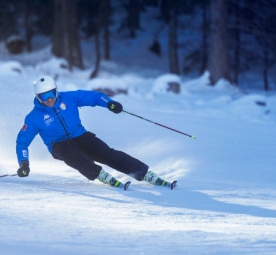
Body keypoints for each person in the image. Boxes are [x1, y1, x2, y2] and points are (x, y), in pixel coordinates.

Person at [15, 76, 176, 189]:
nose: (50, 99)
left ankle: (143, 173)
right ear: (38, 97)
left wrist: (110, 103)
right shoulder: (33, 118)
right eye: (45, 96)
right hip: (58, 145)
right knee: (72, 155)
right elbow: (22, 142)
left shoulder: (69, 98)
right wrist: (24, 163)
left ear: (56, 91)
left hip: (80, 135)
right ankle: (98, 174)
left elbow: (95, 97)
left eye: (52, 93)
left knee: (106, 153)